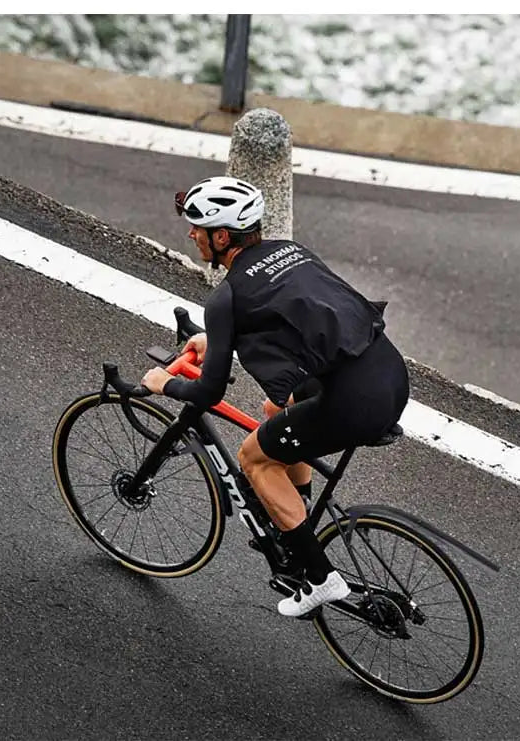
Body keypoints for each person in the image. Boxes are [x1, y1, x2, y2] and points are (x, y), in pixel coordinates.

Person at [141, 176, 409, 617]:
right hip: (388, 375)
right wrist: (217, 340)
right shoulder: (291, 251)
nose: (191, 234)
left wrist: (163, 384)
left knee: (254, 457)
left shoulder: (227, 296)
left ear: (222, 236)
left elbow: (208, 392)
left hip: (354, 403)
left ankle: (322, 580)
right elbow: (296, 316)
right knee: (274, 410)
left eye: (197, 227)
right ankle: (296, 513)